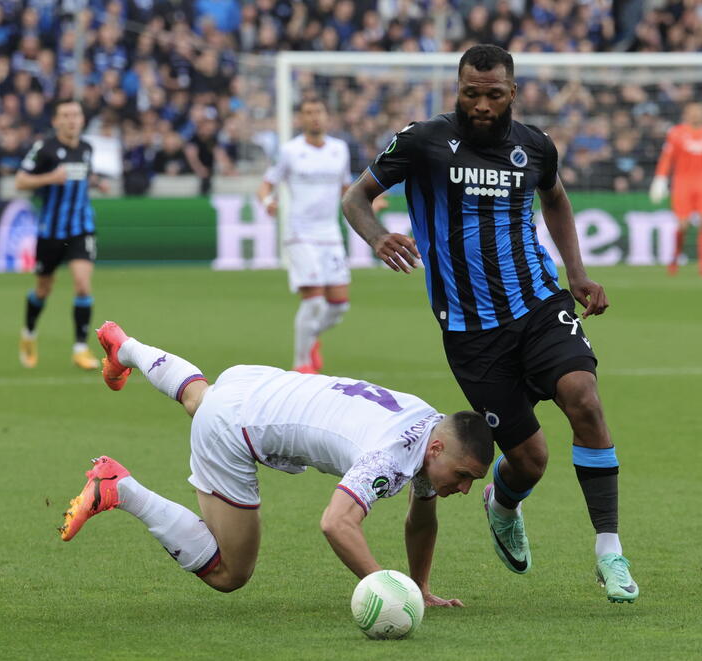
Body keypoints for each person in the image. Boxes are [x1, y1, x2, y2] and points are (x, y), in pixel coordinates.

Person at [341, 44, 638, 603]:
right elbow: (356, 197)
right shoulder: (423, 141)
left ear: (513, 93)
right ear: (458, 89)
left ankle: (610, 552)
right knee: (530, 460)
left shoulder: (535, 146)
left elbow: (556, 200)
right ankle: (502, 504)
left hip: (538, 305)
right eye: (471, 93)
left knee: (586, 398)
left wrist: (575, 274)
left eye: (493, 94)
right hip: (472, 333)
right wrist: (378, 236)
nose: (481, 104)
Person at [59, 320, 492, 604]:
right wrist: (387, 590)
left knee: (200, 397)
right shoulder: (389, 455)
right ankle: (119, 488)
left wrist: (420, 587)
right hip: (235, 428)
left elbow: (421, 519)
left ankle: (127, 348)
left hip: (258, 383)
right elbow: (336, 523)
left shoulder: (429, 422)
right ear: (437, 451)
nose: (465, 488)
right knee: (230, 573)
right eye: (463, 476)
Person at [256, 96, 386, 374]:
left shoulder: (339, 149)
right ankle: (301, 364)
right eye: (308, 112)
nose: (314, 117)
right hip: (300, 233)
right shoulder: (290, 151)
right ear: (301, 119)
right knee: (313, 300)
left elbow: (346, 190)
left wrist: (371, 202)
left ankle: (310, 338)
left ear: (327, 117)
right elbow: (266, 186)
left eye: (319, 111)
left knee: (339, 306)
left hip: (331, 234)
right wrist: (268, 203)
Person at [14, 99, 106, 370]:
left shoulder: (88, 148)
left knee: (82, 284)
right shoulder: (44, 149)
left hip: (81, 228)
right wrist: (49, 178)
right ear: (55, 121)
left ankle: (80, 348)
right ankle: (29, 333)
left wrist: (97, 183)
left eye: (76, 114)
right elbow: (20, 181)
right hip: (50, 231)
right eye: (65, 115)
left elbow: (84, 176)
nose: (71, 120)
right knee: (43, 289)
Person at [649, 102, 702, 277]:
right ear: (686, 114)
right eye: (693, 112)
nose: (696, 115)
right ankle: (674, 258)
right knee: (683, 225)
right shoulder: (676, 133)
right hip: (682, 183)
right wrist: (660, 179)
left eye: (699, 112)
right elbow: (667, 158)